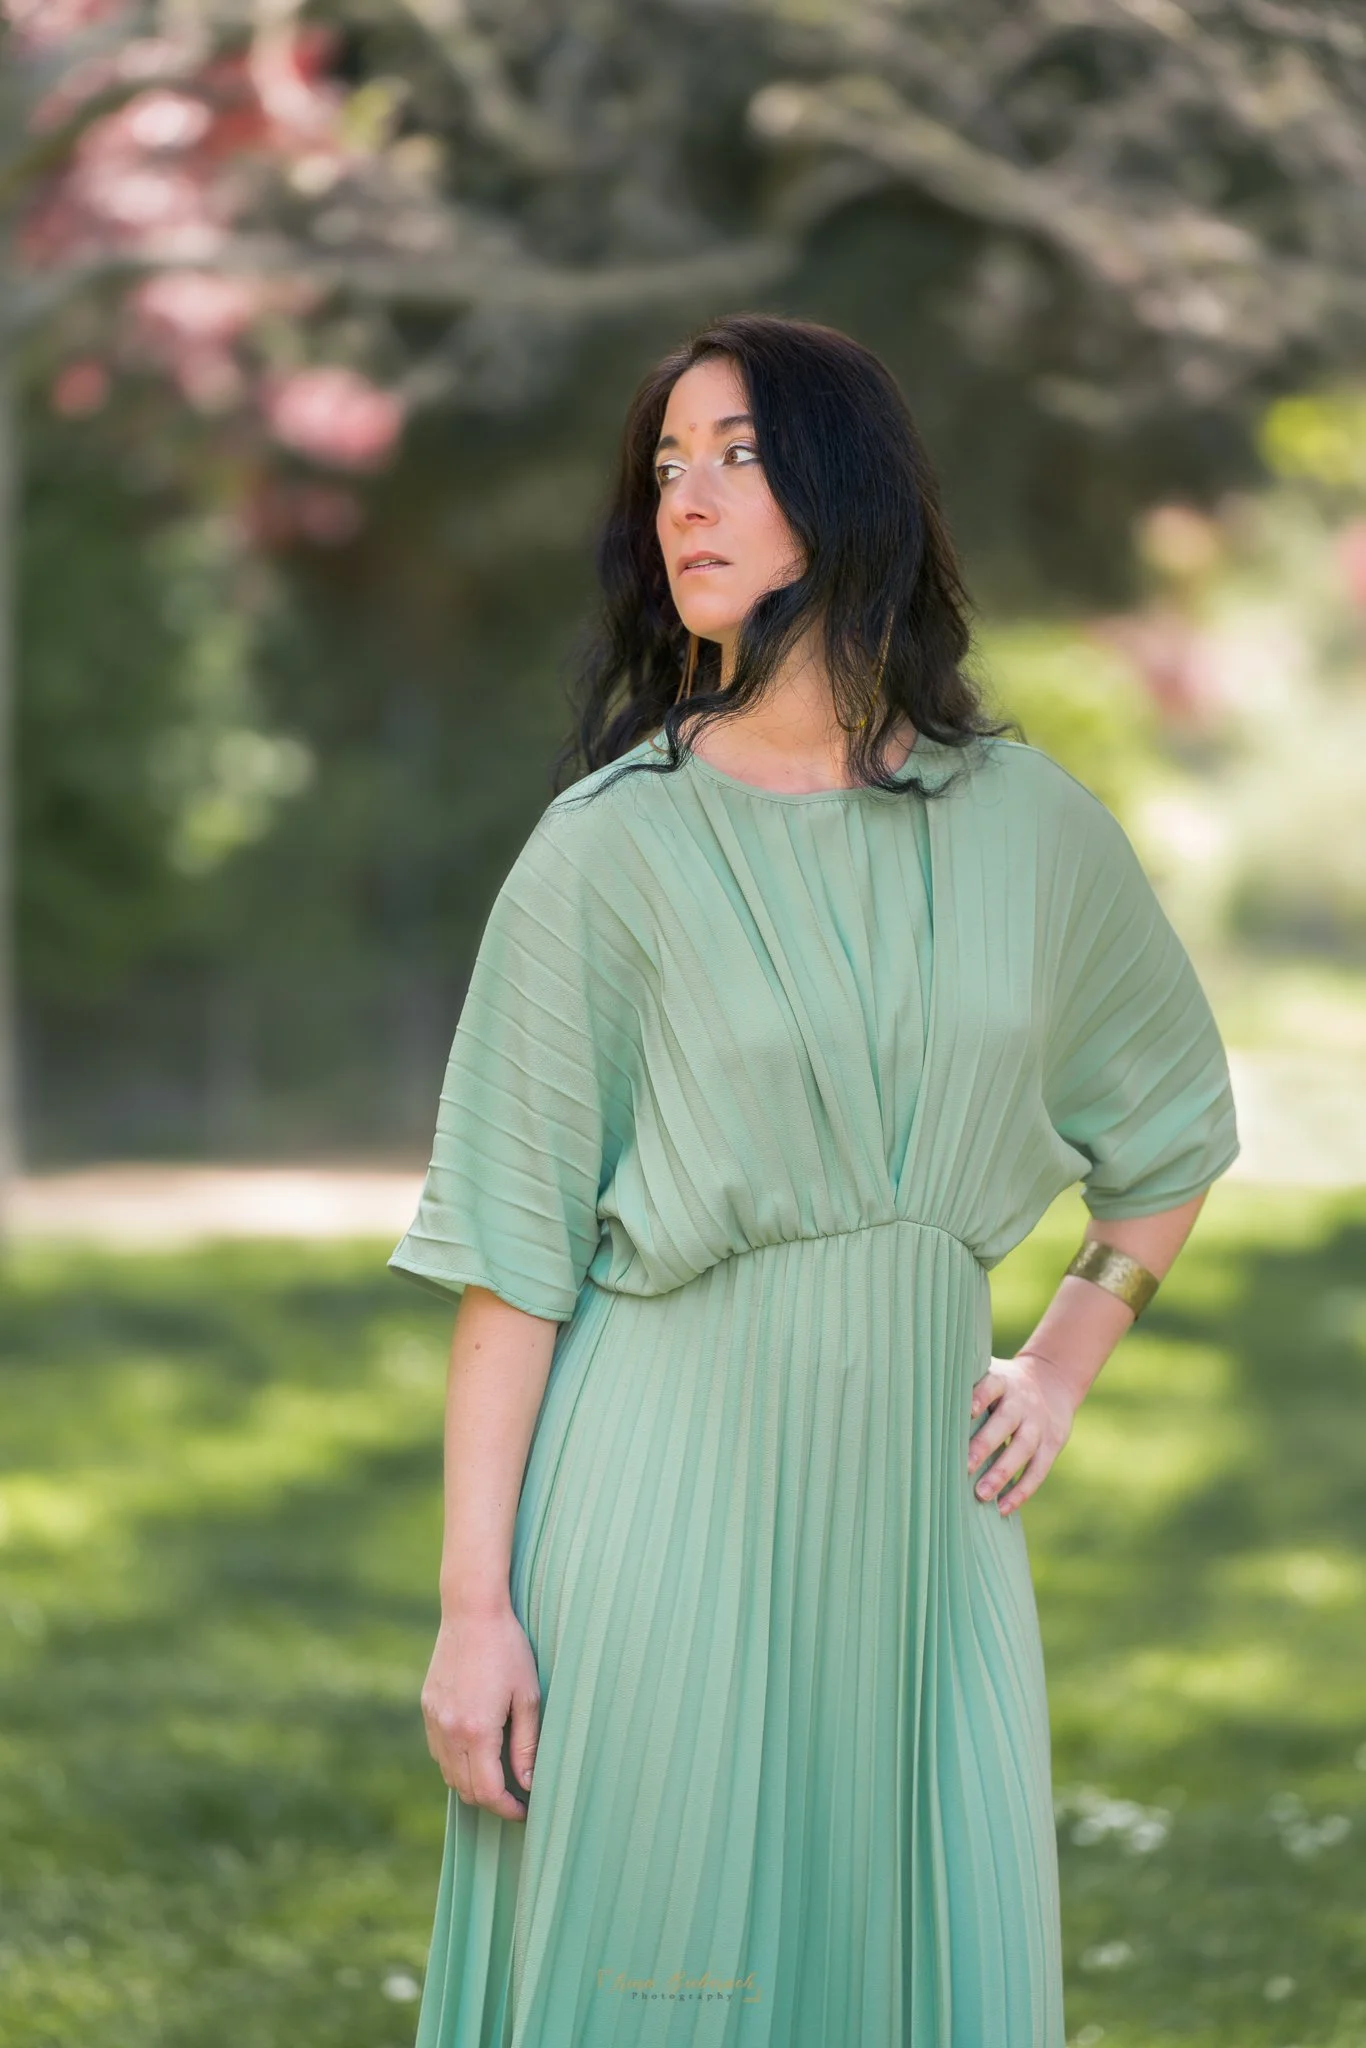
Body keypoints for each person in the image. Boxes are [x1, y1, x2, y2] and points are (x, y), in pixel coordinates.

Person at [387, 312, 1240, 2047]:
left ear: (847, 488)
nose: (683, 501)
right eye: (663, 467)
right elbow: (513, 1253)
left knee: (908, 1968)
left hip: (926, 1534)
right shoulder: (606, 847)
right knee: (663, 1975)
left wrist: (1066, 1358)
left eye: (737, 454)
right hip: (658, 1496)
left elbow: (1167, 1132)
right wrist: (475, 1611)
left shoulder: (1029, 825)